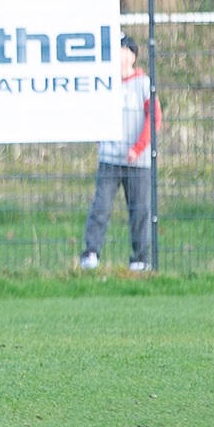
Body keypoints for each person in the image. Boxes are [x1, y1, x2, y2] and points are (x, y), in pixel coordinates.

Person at [79, 37, 156, 272]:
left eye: (124, 52)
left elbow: (154, 118)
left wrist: (138, 148)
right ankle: (91, 254)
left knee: (140, 211)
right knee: (100, 207)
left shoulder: (143, 83)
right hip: (110, 159)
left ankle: (140, 258)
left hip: (138, 161)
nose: (120, 57)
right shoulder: (105, 83)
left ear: (133, 56)